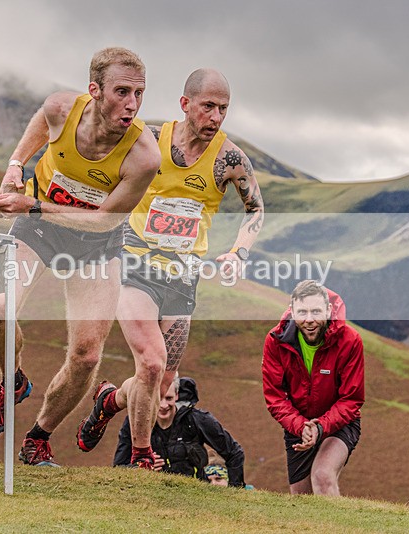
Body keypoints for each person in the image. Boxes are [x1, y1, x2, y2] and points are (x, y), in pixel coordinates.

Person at [0, 47, 161, 467]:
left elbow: (104, 220)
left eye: (139, 93)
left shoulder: (144, 156)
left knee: (87, 356)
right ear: (95, 90)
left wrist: (33, 205)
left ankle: (38, 437)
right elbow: (43, 122)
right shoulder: (61, 107)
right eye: (122, 92)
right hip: (37, 230)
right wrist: (16, 165)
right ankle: (12, 381)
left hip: (95, 244)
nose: (132, 104)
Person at [76, 68, 264, 468]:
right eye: (208, 106)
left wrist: (239, 253)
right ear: (185, 104)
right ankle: (141, 456)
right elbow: (97, 165)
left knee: (160, 381)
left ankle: (110, 400)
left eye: (223, 109)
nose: (215, 117)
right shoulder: (148, 140)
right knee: (151, 360)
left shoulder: (230, 159)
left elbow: (256, 209)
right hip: (134, 265)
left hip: (182, 277)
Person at [262, 280, 364, 496]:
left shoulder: (350, 340)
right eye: (302, 312)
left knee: (322, 476)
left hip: (340, 423)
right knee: (301, 498)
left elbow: (351, 399)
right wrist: (301, 427)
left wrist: (320, 427)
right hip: (298, 426)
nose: (309, 320)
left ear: (328, 310)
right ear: (292, 311)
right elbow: (275, 397)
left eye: (316, 312)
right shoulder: (275, 341)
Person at [113, 376, 246, 487]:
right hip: (153, 496)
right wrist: (141, 467)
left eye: (169, 398)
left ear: (176, 395)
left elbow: (234, 452)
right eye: (158, 398)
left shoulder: (197, 419)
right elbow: (119, 467)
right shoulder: (135, 422)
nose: (163, 405)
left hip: (196, 495)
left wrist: (234, 492)